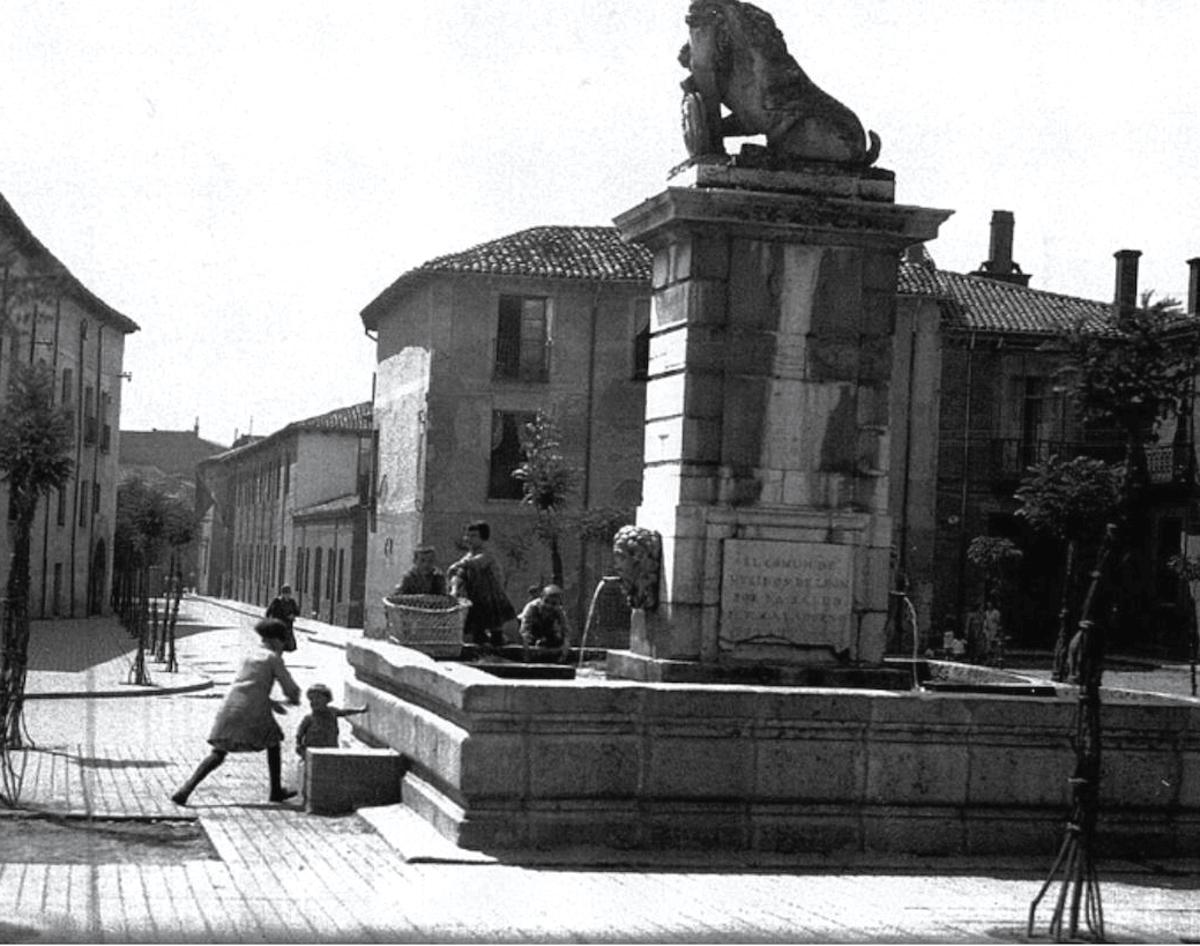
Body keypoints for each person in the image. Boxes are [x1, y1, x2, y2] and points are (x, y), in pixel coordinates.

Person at [171, 618, 301, 806]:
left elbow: (249, 686)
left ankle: (185, 790)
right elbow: (290, 688)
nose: (283, 646)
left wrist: (271, 703)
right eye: (282, 641)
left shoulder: (250, 656)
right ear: (275, 640)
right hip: (253, 712)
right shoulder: (273, 658)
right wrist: (293, 698)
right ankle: (275, 791)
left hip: (230, 706)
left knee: (218, 752)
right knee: (274, 743)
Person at [447, 520, 516, 650]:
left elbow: (474, 563)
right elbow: (461, 569)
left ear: (482, 538)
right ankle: (481, 642)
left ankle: (497, 640)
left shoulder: (486, 554)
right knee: (477, 627)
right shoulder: (468, 555)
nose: (468, 539)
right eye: (467, 535)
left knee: (494, 625)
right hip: (475, 596)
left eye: (473, 536)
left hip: (490, 595)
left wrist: (458, 565)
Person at [519, 584, 572, 661]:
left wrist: (565, 648)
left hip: (544, 629)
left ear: (558, 604)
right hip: (525, 628)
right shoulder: (531, 608)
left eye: (553, 603)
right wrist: (526, 652)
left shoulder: (559, 611)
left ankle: (543, 644)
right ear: (541, 599)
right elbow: (524, 629)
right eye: (546, 601)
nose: (548, 606)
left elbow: (566, 630)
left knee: (557, 639)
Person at [265, 584, 300, 652]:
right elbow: (270, 612)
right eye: (286, 594)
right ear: (282, 594)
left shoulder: (292, 602)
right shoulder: (277, 601)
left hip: (288, 626)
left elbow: (297, 612)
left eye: (289, 594)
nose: (287, 596)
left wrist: (293, 615)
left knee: (288, 646)